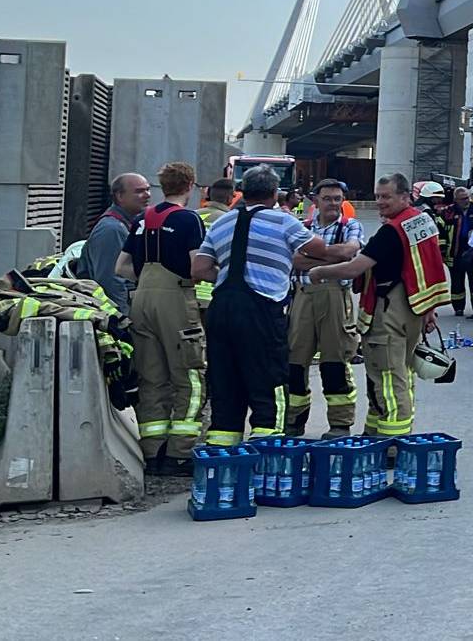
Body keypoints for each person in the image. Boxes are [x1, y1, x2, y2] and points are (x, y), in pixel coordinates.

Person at [190, 167, 343, 446]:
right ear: (274, 194)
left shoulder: (222, 223)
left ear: (243, 191)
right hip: (261, 309)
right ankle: (266, 449)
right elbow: (322, 250)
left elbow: (199, 269)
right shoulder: (283, 221)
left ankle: (225, 454)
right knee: (269, 381)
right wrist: (351, 249)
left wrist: (229, 276)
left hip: (221, 308)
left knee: (225, 381)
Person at [310, 174, 450, 438]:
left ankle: (391, 442)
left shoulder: (390, 231)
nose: (380, 201)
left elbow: (355, 268)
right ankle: (374, 434)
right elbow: (424, 267)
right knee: (401, 374)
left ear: (405, 196)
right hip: (412, 309)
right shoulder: (421, 221)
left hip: (389, 312)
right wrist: (428, 309)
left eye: (386, 196)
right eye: (377, 196)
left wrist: (319, 272)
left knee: (387, 377)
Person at [113, 162, 208, 474]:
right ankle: (180, 453)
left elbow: (121, 267)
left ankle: (152, 451)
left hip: (141, 299)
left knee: (151, 376)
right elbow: (196, 267)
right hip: (175, 301)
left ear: (161, 187)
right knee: (188, 376)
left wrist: (147, 280)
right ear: (190, 185)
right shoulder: (188, 219)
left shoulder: (143, 218)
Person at [286, 179, 364, 438]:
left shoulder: (350, 225)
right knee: (295, 362)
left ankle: (340, 425)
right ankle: (294, 421)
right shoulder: (303, 226)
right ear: (315, 200)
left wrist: (312, 259)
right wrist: (332, 256)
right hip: (302, 297)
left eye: (337, 198)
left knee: (335, 361)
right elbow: (293, 259)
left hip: (334, 298)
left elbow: (349, 252)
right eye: (328, 198)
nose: (333, 203)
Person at [84, 173, 151, 315]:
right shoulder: (111, 229)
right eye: (139, 191)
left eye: (147, 189)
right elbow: (110, 281)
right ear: (120, 196)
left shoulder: (129, 224)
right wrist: (122, 319)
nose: (147, 195)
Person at [196, 178, 237, 308]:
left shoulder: (193, 216)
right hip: (217, 290)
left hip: (189, 290)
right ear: (229, 198)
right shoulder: (231, 221)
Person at [444, 187, 473, 318]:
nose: (466, 201)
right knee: (456, 283)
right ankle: (458, 308)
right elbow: (442, 232)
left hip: (472, 251)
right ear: (456, 199)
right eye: (462, 199)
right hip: (455, 251)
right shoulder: (448, 212)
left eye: (467, 197)